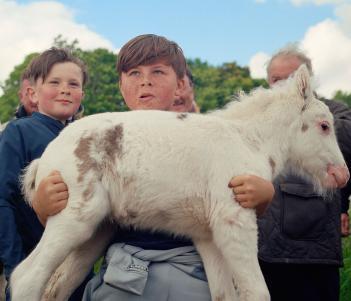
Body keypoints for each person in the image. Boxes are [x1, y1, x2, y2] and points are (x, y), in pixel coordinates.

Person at [32, 34, 275, 300]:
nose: (145, 81)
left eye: (157, 71)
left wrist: (264, 196)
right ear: (121, 85)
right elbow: (70, 220)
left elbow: (235, 204)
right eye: (134, 73)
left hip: (191, 271)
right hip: (124, 274)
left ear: (181, 84)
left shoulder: (209, 139)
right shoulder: (102, 139)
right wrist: (43, 206)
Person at [258, 44, 351, 301]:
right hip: (264, 246)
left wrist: (310, 117)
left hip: (314, 247)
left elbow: (343, 143)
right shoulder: (260, 115)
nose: (282, 85)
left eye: (290, 78)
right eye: (276, 79)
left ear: (306, 79)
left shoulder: (336, 113)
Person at [0, 47, 88, 301]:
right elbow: (3, 201)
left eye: (73, 83)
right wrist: (15, 268)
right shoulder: (19, 132)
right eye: (54, 82)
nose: (65, 89)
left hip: (78, 273)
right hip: (33, 266)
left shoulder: (85, 138)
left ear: (82, 94)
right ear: (34, 93)